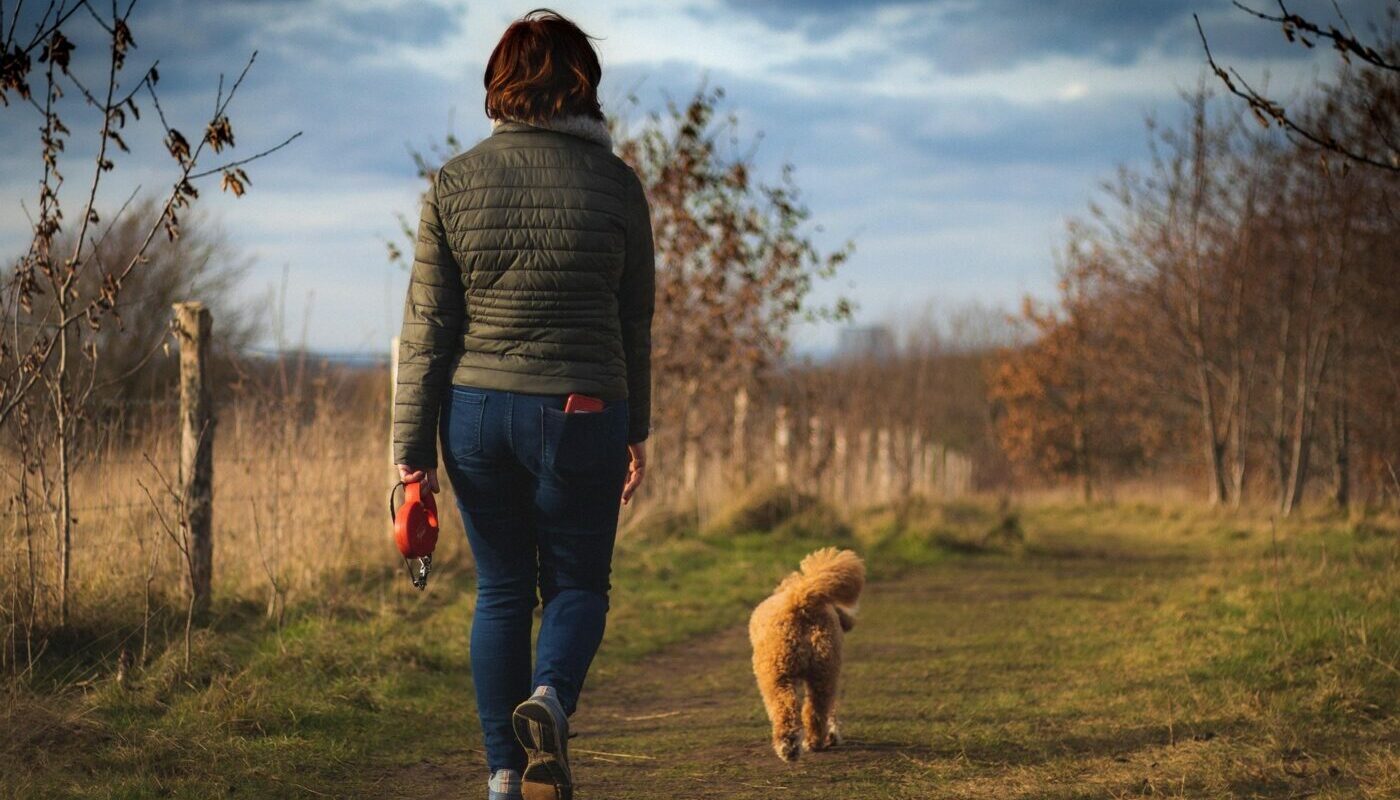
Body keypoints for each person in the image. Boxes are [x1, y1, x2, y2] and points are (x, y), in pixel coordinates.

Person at [391, 9, 654, 800]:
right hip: (581, 410)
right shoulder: (617, 185)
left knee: (501, 590)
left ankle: (504, 775)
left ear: (500, 86)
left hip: (475, 414)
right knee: (576, 586)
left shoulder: (455, 181)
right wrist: (635, 427)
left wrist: (411, 455)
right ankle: (549, 703)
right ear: (584, 87)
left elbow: (427, 326)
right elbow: (633, 319)